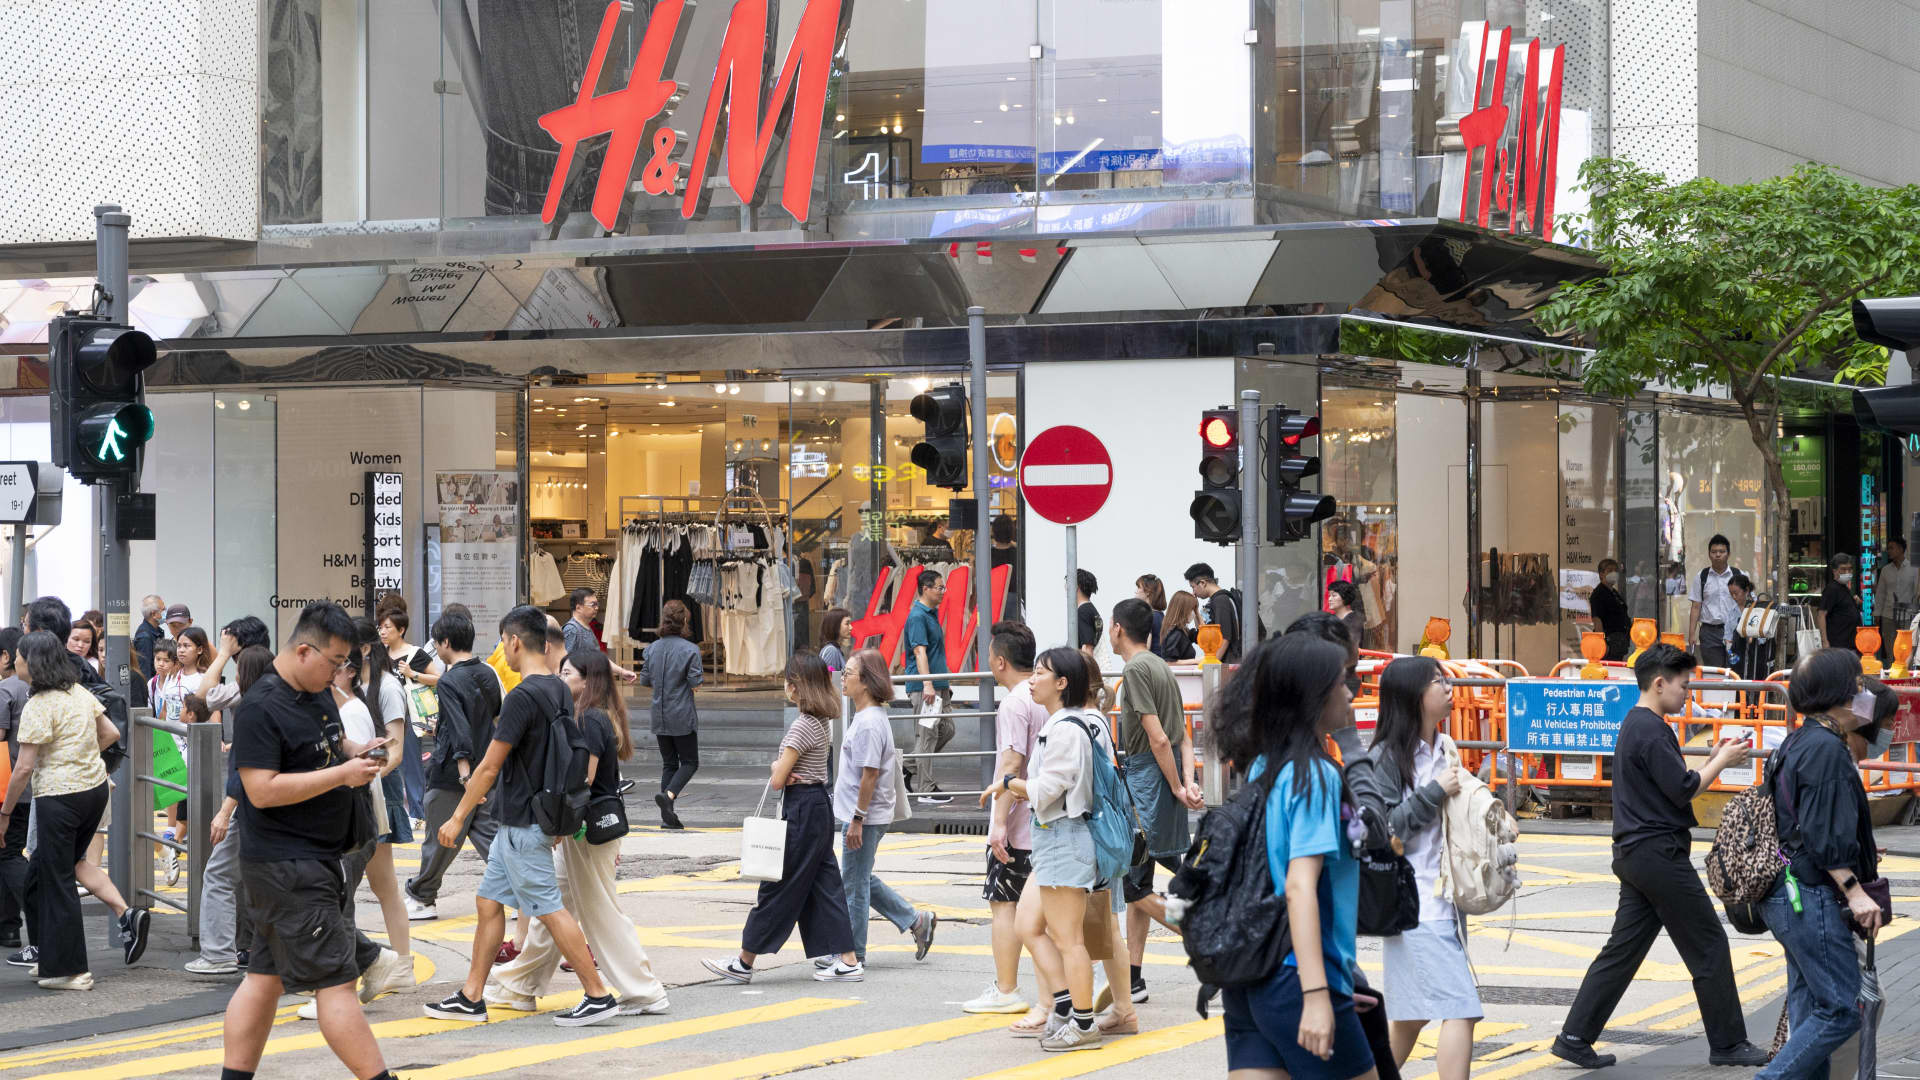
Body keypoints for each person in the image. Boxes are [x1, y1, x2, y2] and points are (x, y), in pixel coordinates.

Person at [1552, 643, 1764, 1069]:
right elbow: (1684, 789)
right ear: (1660, 683)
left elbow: (1671, 781)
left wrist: (1711, 759)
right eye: (1683, 686)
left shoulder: (1639, 725)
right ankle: (1728, 1044)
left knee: (1624, 949)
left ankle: (1574, 1037)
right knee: (1709, 943)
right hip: (1657, 855)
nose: (1687, 694)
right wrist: (1722, 760)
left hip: (1637, 854)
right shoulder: (1649, 729)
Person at [223, 601, 402, 1080]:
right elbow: (260, 790)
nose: (339, 672)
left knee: (264, 979)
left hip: (309, 859)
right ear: (304, 651)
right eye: (334, 661)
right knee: (337, 985)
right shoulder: (261, 707)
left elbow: (329, 743)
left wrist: (357, 750)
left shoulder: (317, 691)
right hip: (289, 865)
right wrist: (343, 775)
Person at [423, 605, 620, 1027]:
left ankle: (597, 994)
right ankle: (471, 996)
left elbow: (489, 767)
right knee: (488, 902)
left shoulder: (522, 697)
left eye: (502, 642)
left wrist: (457, 817)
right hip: (531, 817)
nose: (502, 651)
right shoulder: (557, 689)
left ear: (514, 642)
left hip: (522, 821)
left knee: (548, 909)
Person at [1210, 630, 1377, 1079]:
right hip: (1298, 974)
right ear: (1313, 696)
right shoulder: (1315, 775)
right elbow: (1300, 885)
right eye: (1340, 682)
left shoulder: (1265, 764)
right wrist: (1318, 993)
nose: (1349, 692)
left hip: (1249, 971)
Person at [489, 648, 670, 1014]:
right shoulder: (596, 716)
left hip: (585, 831)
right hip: (584, 830)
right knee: (551, 910)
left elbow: (581, 781)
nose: (561, 678)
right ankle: (520, 985)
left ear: (588, 682)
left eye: (567, 673)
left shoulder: (588, 720)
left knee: (600, 912)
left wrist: (558, 823)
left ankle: (644, 991)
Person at [1757, 653, 1890, 1079]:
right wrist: (1855, 891)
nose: (1864, 693)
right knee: (1842, 1009)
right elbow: (1822, 834)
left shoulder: (1798, 742)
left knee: (1810, 1007)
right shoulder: (1826, 749)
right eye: (1858, 684)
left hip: (1790, 894)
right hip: (1809, 895)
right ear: (1840, 693)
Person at [702, 652, 863, 985]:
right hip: (818, 807)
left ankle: (744, 961)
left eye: (788, 681)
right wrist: (785, 772)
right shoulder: (821, 722)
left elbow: (778, 778)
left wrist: (778, 768)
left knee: (778, 885)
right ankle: (848, 960)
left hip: (802, 809)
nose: (785, 687)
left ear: (796, 687)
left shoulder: (802, 726)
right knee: (826, 886)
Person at [0, 631, 146, 991]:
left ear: (32, 663)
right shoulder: (78, 692)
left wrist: (4, 813)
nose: (14, 661)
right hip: (93, 791)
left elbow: (23, 768)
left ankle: (72, 971)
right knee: (38, 877)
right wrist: (81, 756)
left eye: (18, 656)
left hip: (61, 797)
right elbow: (110, 732)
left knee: (58, 881)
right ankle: (48, 956)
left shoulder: (39, 704)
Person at [1368, 656, 1478, 1080]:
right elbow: (1383, 830)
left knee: (1411, 1019)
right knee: (1461, 1008)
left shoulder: (1445, 747)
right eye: (1438, 681)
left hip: (1445, 902)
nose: (1449, 688)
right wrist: (1434, 791)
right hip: (1415, 905)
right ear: (1412, 695)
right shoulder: (1386, 757)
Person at [995, 647, 1110, 1053]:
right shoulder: (1059, 723)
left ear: (1062, 683)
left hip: (1064, 837)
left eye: (1041, 673)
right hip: (1053, 839)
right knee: (1028, 925)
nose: (1032, 680)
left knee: (1069, 940)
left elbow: (1047, 791)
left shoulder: (1066, 729)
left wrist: (1009, 784)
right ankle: (1065, 1005)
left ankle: (1083, 1023)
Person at [298, 649, 411, 1019]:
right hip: (341, 823)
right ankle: (370, 962)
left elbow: (361, 772)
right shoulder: (334, 710)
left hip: (349, 823)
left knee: (336, 906)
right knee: (333, 904)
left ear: (345, 671)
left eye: (331, 667)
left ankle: (340, 988)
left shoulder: (352, 712)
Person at [1110, 598, 1199, 1005]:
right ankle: (1134, 979)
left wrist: (1179, 787)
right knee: (1140, 880)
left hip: (1146, 782)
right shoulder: (1161, 666)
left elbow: (1160, 738)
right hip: (1161, 778)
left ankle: (1206, 938)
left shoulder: (1134, 670)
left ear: (1117, 629)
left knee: (1133, 888)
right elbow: (1183, 736)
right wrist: (1187, 783)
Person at [966, 621, 1049, 1018]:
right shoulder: (1043, 695)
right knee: (1045, 914)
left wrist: (998, 824)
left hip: (1017, 825)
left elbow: (1011, 765)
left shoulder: (1015, 702)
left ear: (1000, 661)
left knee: (1003, 903)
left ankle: (1006, 989)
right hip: (1044, 820)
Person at [835, 648, 937, 966]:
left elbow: (870, 775)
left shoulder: (868, 723)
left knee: (854, 884)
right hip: (865, 814)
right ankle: (916, 920)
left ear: (866, 682)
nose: (843, 678)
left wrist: (857, 819)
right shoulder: (869, 717)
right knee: (859, 877)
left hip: (864, 816)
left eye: (848, 673)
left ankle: (854, 955)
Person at [406, 608, 502, 921]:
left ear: (446, 642)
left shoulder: (449, 681)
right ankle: (518, 892)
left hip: (453, 774)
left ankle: (423, 896)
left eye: (437, 643)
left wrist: (464, 776)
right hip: (487, 768)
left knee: (440, 839)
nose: (437, 648)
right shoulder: (488, 673)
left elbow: (461, 730)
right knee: (490, 837)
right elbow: (491, 717)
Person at [185, 644, 274, 976]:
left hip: (249, 806)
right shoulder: (281, 702)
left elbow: (244, 768)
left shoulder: (251, 707)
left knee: (219, 874)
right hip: (273, 806)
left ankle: (218, 954)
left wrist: (224, 812)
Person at [640, 599, 702, 830]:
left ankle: (668, 817)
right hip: (682, 713)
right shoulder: (691, 650)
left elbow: (645, 680)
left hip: (659, 713)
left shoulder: (651, 649)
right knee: (690, 762)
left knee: (669, 764)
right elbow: (696, 684)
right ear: (684, 620)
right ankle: (669, 796)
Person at [354, 618, 415, 853]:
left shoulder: (388, 688)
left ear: (364, 649)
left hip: (378, 786)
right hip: (360, 783)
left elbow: (395, 753)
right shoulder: (350, 685)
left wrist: (366, 781)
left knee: (374, 863)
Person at [377, 607, 440, 821]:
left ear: (401, 630)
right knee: (386, 760)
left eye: (387, 627)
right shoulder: (380, 654)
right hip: (384, 715)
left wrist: (413, 674)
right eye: (380, 627)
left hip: (409, 716)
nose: (382, 632)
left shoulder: (415, 654)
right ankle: (391, 811)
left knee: (411, 762)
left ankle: (417, 813)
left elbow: (438, 679)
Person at [902, 572, 953, 800]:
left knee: (947, 729)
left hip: (940, 685)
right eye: (939, 588)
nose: (943, 592)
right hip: (925, 686)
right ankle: (926, 789)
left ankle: (904, 767)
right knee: (927, 735)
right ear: (925, 588)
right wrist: (928, 684)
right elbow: (919, 652)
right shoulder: (917, 616)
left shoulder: (931, 614)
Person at [0, 628, 27, 952]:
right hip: (31, 786)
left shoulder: (6, 689)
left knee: (8, 854)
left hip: (6, 786)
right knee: (8, 852)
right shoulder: (38, 688)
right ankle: (8, 928)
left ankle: (34, 915)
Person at [1687, 534, 1742, 668]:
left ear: (1728, 554)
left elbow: (1746, 604)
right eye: (1714, 552)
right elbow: (1696, 606)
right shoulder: (1702, 576)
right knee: (1714, 672)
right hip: (1709, 633)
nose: (1718, 555)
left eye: (1721, 551)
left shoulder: (1738, 575)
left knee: (1734, 672)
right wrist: (1692, 634)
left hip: (1734, 631)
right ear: (1709, 554)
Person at [562, 587, 637, 682]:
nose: (597, 608)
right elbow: (565, 664)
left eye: (597, 604)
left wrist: (622, 672)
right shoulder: (572, 629)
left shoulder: (586, 627)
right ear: (578, 608)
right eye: (593, 605)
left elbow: (599, 658)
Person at [1184, 563, 1243, 664]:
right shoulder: (1216, 600)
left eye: (1193, 587)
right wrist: (1196, 610)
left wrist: (1211, 664)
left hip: (1226, 664)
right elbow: (1203, 632)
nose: (1193, 592)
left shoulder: (1221, 601)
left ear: (1202, 583)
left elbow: (1225, 638)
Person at [1725, 573, 1774, 679]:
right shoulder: (1731, 612)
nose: (1733, 597)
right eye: (1731, 594)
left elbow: (1763, 639)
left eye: (1736, 593)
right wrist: (1731, 654)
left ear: (1746, 590)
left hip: (1756, 658)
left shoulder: (1759, 609)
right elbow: (1728, 638)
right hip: (1738, 660)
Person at [1876, 538, 1917, 664]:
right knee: (1890, 647)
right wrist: (1877, 613)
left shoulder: (1914, 569)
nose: (1888, 551)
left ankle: (1905, 671)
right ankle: (1890, 670)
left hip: (1908, 616)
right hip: (1888, 615)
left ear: (1900, 549)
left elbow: (1917, 592)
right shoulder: (1885, 570)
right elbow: (1880, 593)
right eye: (1888, 548)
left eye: (1891, 548)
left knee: (1906, 647)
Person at [1816, 553, 1861, 654]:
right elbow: (1821, 614)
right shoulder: (1832, 589)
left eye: (1849, 569)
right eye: (1843, 569)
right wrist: (1825, 642)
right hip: (1838, 645)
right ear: (1834, 571)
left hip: (1849, 644)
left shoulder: (1844, 588)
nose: (1847, 572)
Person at [1590, 559, 1631, 661]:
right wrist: (1602, 643)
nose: (1614, 573)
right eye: (1610, 570)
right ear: (1601, 574)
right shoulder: (1598, 594)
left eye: (1615, 570)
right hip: (1609, 642)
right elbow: (1597, 620)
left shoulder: (1614, 593)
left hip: (1619, 642)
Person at [131, 594, 165, 709]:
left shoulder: (157, 632)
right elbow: (144, 670)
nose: (166, 612)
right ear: (154, 614)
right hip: (151, 693)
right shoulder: (145, 637)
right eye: (163, 609)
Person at [1159, 591, 1199, 663]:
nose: (1193, 613)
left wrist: (1197, 613)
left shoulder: (1184, 631)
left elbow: (1202, 636)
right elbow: (1170, 662)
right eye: (1192, 609)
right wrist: (1196, 661)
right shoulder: (1175, 633)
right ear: (1183, 610)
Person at [990, 515, 1019, 604]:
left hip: (993, 599)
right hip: (1015, 600)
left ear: (994, 532)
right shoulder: (1018, 554)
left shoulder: (987, 556)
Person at [1326, 582, 1365, 649]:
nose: (1330, 599)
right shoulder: (1330, 619)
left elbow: (1351, 646)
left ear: (1344, 597)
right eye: (1329, 595)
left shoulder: (1355, 619)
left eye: (1334, 595)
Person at [1134, 575, 1167, 655]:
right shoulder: (1161, 616)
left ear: (1148, 592)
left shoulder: (1147, 616)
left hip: (1151, 661)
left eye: (1138, 587)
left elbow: (1145, 647)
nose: (1135, 591)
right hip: (1161, 660)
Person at [818, 608, 852, 679]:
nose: (851, 627)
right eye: (847, 623)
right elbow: (834, 682)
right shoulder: (831, 651)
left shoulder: (835, 649)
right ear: (835, 625)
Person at [1074, 571, 1102, 650]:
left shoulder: (1083, 612)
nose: (1065, 588)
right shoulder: (1090, 609)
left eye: (1068, 584)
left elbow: (1088, 648)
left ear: (1076, 586)